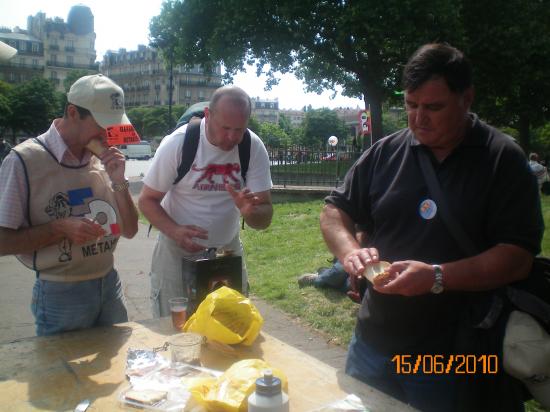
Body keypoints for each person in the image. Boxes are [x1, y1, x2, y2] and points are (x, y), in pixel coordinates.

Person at [320, 43, 543, 412]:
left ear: (466, 98)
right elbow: (333, 211)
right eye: (410, 105)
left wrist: (438, 276)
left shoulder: (502, 158)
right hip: (372, 340)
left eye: (433, 107)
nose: (418, 118)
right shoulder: (385, 151)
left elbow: (518, 257)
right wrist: (350, 253)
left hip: (457, 351)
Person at [0, 74, 139, 336]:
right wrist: (60, 228)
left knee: (119, 368)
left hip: (109, 283)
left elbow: (131, 229)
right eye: (102, 124)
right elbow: (3, 242)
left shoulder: (103, 159)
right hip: (60, 292)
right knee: (63, 374)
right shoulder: (23, 160)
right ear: (73, 112)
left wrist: (119, 180)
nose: (108, 134)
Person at [138, 85, 273, 318]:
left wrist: (251, 212)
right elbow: (147, 201)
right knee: (174, 328)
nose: (232, 137)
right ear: (208, 116)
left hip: (227, 252)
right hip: (176, 251)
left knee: (231, 325)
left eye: (239, 129)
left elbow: (264, 218)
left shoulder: (252, 146)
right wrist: (176, 231)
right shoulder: (178, 143)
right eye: (225, 128)